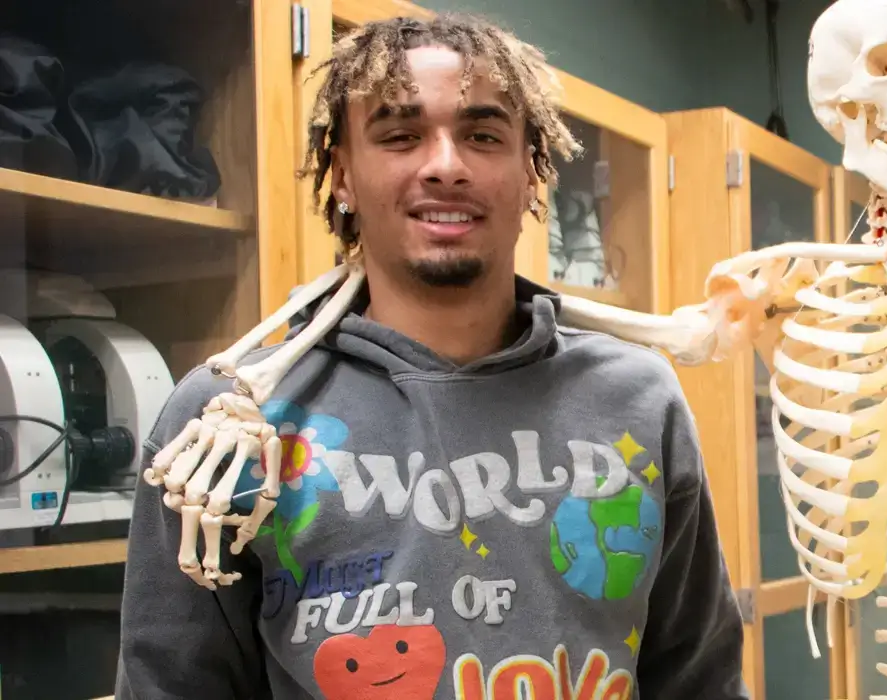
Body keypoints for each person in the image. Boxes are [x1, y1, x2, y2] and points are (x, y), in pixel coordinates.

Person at [114, 14, 749, 700]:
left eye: (483, 136)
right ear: (342, 175)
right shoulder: (228, 420)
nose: (445, 165)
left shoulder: (638, 399)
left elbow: (699, 680)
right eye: (400, 135)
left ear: (531, 172)